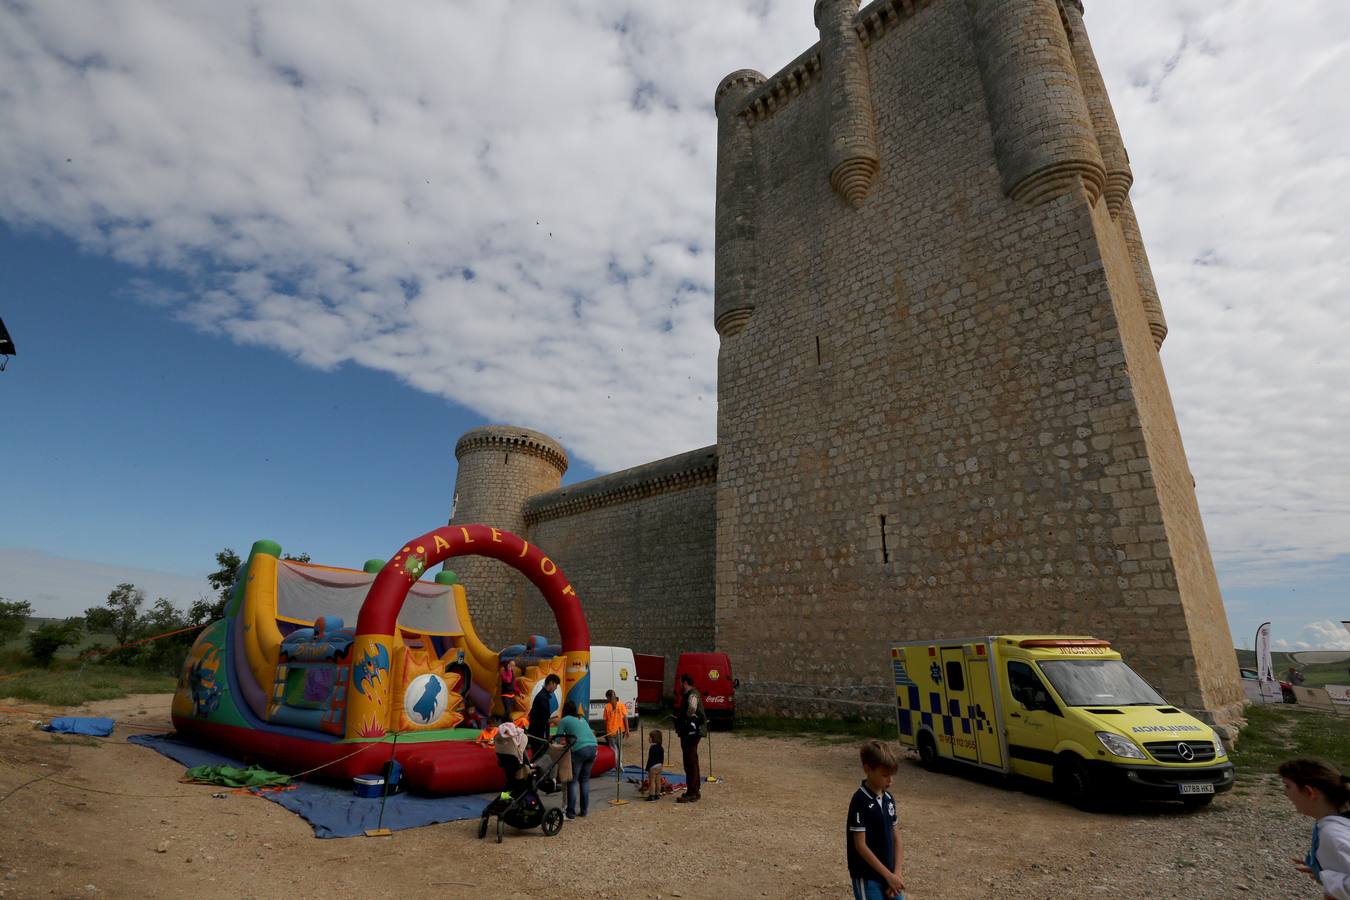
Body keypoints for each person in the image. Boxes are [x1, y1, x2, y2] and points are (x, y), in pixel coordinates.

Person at [1279, 757, 1350, 899]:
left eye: (1288, 786)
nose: (1285, 793)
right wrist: (1325, 865)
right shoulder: (1335, 824)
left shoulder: (1332, 834)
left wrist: (1325, 875)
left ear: (1310, 792)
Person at [847, 740, 905, 900]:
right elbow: (860, 845)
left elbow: (897, 838)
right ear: (867, 769)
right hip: (868, 877)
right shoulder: (860, 800)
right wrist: (888, 876)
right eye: (885, 775)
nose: (890, 780)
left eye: (892, 775)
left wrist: (897, 874)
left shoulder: (888, 799)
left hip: (891, 876)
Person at [554, 699, 598, 819]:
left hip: (579, 749)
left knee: (573, 781)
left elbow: (557, 738)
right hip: (593, 747)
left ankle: (571, 813)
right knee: (584, 780)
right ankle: (584, 811)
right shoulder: (582, 719)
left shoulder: (565, 720)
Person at [673, 673, 706, 803]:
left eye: (681, 682)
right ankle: (694, 790)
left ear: (685, 683)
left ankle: (692, 792)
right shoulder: (691, 694)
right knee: (692, 760)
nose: (680, 685)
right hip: (689, 733)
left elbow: (692, 706)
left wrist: (687, 717)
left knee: (690, 761)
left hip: (691, 733)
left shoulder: (692, 694)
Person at [527, 673, 561, 760]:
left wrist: (552, 719)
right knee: (540, 758)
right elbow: (543, 720)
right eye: (556, 685)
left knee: (538, 756)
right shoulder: (543, 698)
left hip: (536, 732)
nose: (556, 688)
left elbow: (534, 714)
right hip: (538, 734)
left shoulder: (542, 696)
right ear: (551, 683)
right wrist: (554, 721)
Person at [603, 689, 630, 757]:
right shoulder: (621, 705)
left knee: (613, 749)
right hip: (620, 731)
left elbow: (605, 720)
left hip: (610, 732)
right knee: (619, 749)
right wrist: (627, 730)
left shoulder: (606, 706)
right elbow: (625, 718)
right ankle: (619, 765)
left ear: (608, 697)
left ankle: (616, 765)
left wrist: (606, 731)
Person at [644, 729, 665, 801]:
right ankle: (657, 794)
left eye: (650, 737)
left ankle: (652, 795)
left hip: (653, 766)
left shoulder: (652, 748)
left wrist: (647, 768)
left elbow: (650, 759)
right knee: (658, 781)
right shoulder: (661, 747)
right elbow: (662, 758)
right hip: (659, 765)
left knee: (652, 781)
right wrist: (661, 765)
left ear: (654, 738)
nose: (648, 738)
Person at [498, 659, 518, 724]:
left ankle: (503, 723)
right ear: (507, 666)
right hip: (505, 694)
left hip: (511, 694)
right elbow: (508, 680)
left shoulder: (512, 673)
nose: (512, 667)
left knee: (508, 711)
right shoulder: (503, 673)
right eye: (511, 665)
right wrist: (509, 670)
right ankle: (502, 721)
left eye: (514, 666)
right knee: (508, 711)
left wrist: (519, 693)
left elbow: (514, 684)